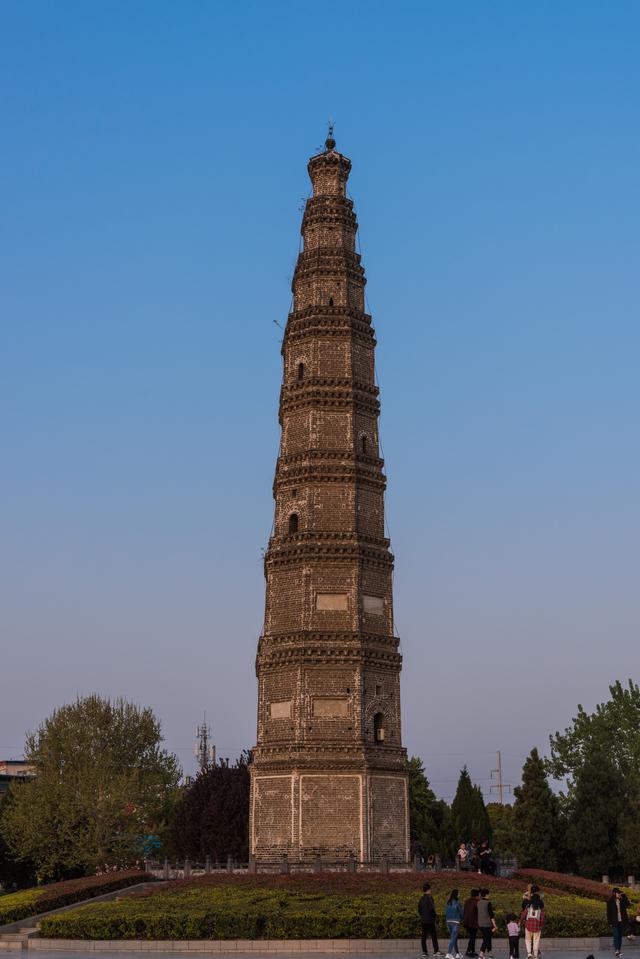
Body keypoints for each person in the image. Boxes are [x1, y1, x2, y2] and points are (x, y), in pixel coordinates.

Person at [419, 881, 443, 958]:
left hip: (423, 920)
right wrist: (434, 917)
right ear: (429, 890)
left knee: (424, 936)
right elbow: (432, 909)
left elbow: (419, 909)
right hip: (430, 920)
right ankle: (436, 951)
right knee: (433, 935)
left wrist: (422, 916)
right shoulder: (430, 898)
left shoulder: (421, 899)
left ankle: (424, 952)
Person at [606, 888, 629, 957]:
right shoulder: (610, 901)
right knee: (616, 936)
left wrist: (624, 896)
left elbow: (628, 904)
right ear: (614, 893)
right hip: (614, 922)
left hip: (621, 921)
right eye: (618, 893)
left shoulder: (622, 900)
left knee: (620, 937)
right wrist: (609, 922)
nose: (619, 894)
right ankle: (616, 950)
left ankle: (618, 950)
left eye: (619, 893)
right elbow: (608, 913)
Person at [522, 892, 545, 959]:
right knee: (536, 941)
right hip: (537, 928)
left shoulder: (528, 907)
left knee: (528, 940)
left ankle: (529, 954)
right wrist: (540, 926)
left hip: (528, 926)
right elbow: (542, 919)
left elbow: (523, 915)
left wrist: (520, 921)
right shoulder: (540, 910)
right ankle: (535, 955)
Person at [477, 888, 497, 959]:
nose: (489, 895)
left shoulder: (478, 902)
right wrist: (495, 925)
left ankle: (490, 952)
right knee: (487, 939)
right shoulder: (488, 903)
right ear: (486, 895)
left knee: (487, 938)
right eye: (488, 894)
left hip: (480, 924)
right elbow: (491, 915)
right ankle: (481, 953)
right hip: (487, 924)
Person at [445, 888, 464, 959]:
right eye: (459, 893)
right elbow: (461, 912)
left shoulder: (448, 902)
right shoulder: (457, 902)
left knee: (454, 938)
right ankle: (449, 953)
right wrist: (462, 918)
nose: (459, 895)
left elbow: (446, 913)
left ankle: (457, 953)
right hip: (455, 922)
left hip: (448, 922)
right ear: (456, 894)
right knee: (453, 938)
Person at [463, 888, 480, 958]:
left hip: (467, 922)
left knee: (472, 937)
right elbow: (478, 912)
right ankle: (468, 950)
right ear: (476, 895)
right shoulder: (477, 902)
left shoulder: (467, 901)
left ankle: (472, 950)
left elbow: (464, 911)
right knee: (472, 937)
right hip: (473, 922)